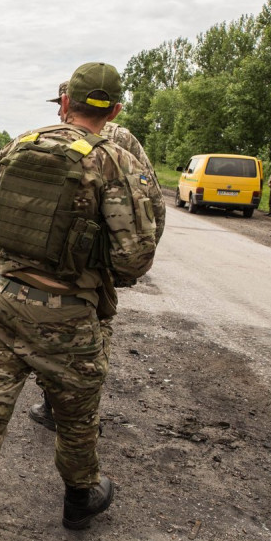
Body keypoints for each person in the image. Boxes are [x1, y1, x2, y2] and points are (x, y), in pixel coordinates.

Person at [0, 62, 161, 541]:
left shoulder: (17, 146)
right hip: (70, 317)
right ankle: (79, 501)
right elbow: (133, 260)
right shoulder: (114, 161)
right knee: (77, 419)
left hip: (5, 306)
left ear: (65, 103)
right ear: (116, 111)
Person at [27, 83, 166, 430]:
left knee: (49, 334)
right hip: (100, 262)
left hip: (54, 261)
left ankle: (58, 409)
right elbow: (154, 203)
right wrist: (130, 263)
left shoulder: (47, 139)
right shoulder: (125, 140)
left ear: (67, 103)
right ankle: (75, 411)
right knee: (94, 332)